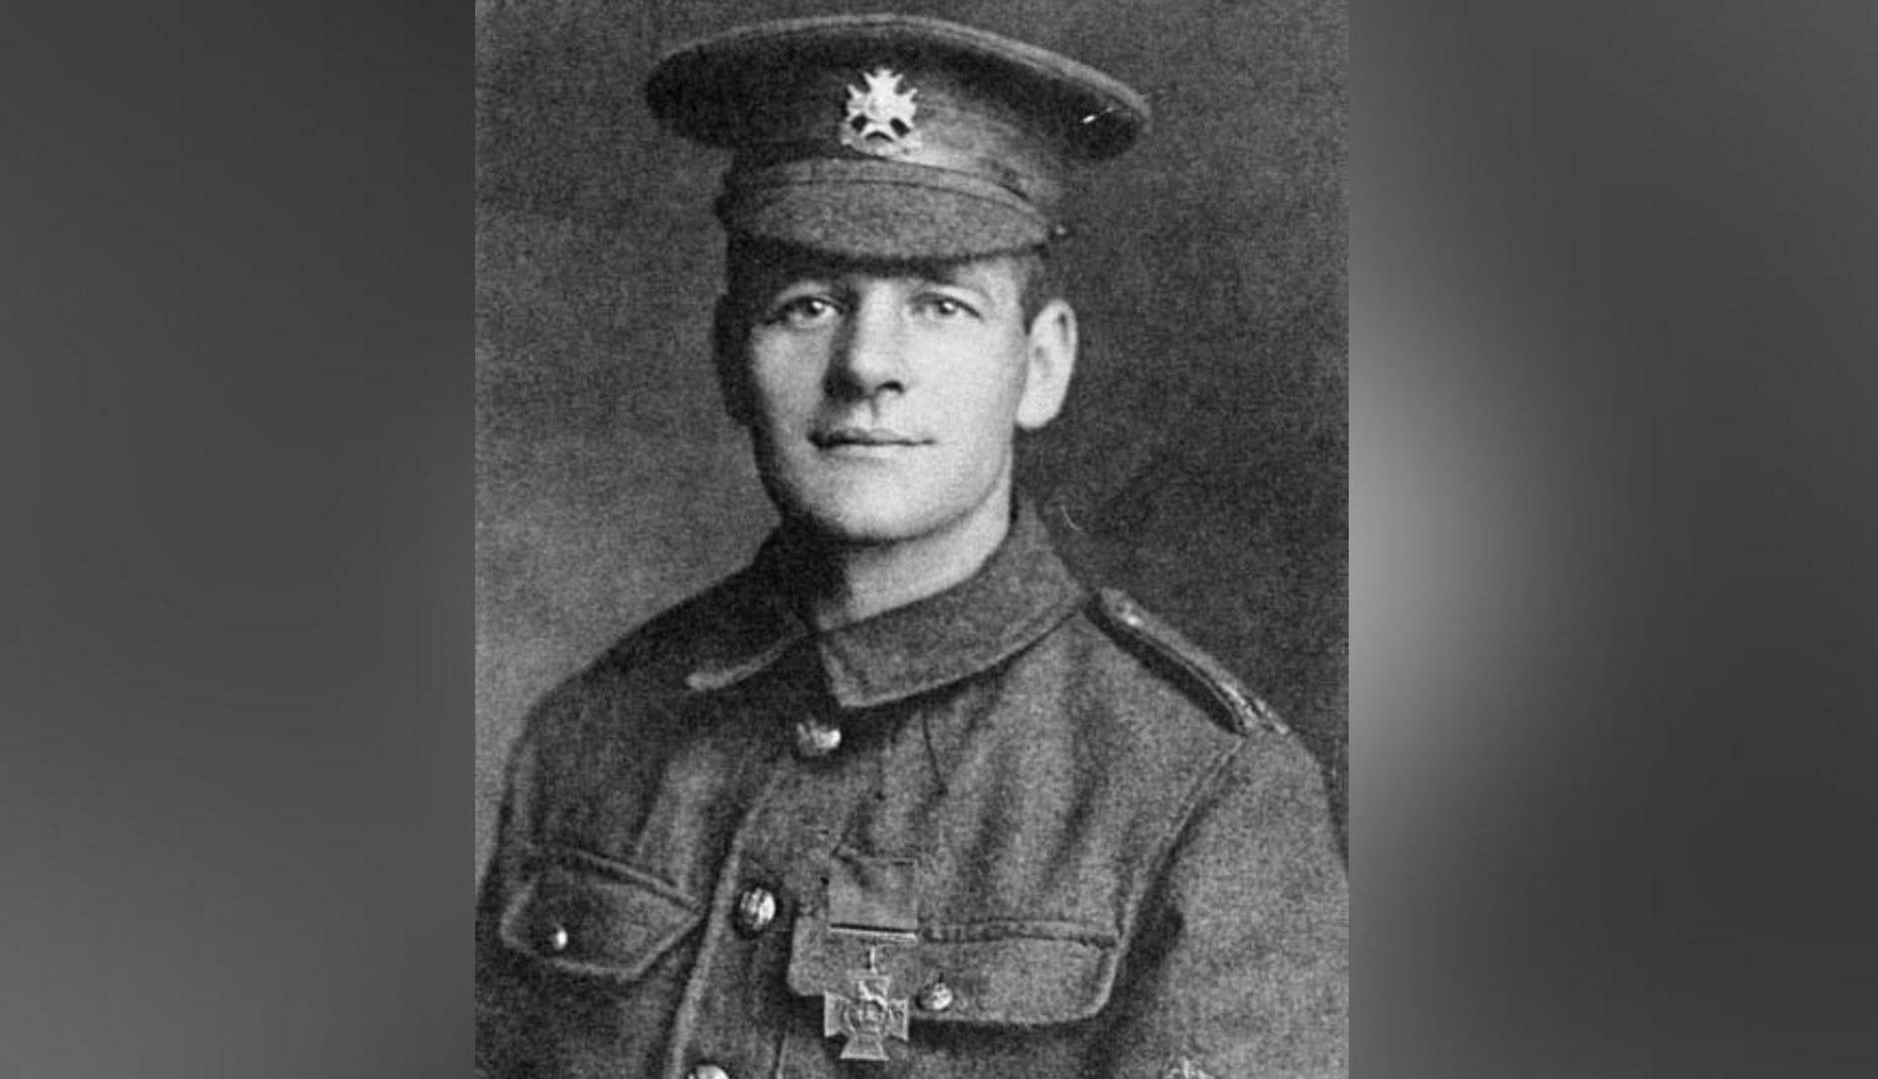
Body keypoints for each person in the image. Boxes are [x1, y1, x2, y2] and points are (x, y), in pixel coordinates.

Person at [476, 14, 1346, 1079]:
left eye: (939, 304)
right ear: (726, 355)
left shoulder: (1201, 796)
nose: (867, 365)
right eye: (808, 304)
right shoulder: (597, 738)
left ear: (1040, 364)